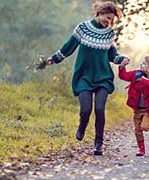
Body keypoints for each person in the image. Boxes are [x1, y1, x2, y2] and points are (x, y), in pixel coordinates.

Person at [45, 1, 128, 155]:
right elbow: (69, 46)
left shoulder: (109, 33)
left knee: (100, 108)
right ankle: (82, 126)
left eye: (111, 19)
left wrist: (121, 59)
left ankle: (98, 144)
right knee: (86, 109)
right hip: (84, 76)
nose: (108, 22)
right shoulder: (83, 28)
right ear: (100, 13)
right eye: (107, 18)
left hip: (103, 77)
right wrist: (54, 59)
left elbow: (112, 54)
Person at [118, 55, 149, 156]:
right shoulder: (135, 74)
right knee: (137, 130)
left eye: (143, 63)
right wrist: (122, 66)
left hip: (147, 110)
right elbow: (123, 76)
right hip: (137, 109)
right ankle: (141, 148)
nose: (141, 64)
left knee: (145, 127)